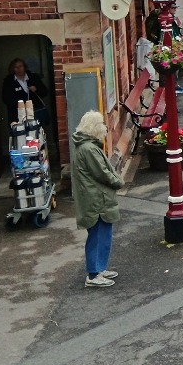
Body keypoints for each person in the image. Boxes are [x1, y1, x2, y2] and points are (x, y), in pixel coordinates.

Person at [71, 110, 123, 288]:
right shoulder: (89, 149)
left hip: (95, 198)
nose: (104, 128)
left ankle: (99, 268)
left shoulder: (86, 146)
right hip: (96, 200)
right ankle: (93, 274)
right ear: (94, 128)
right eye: (101, 124)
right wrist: (118, 181)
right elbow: (103, 173)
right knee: (98, 235)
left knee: (102, 234)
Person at [2, 58, 51, 127]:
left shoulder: (33, 77)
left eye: (20, 66)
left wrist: (36, 89)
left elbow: (45, 92)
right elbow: (6, 98)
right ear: (13, 69)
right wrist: (21, 105)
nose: (19, 69)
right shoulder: (9, 81)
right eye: (16, 67)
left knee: (36, 134)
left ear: (24, 67)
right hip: (17, 116)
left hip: (35, 114)